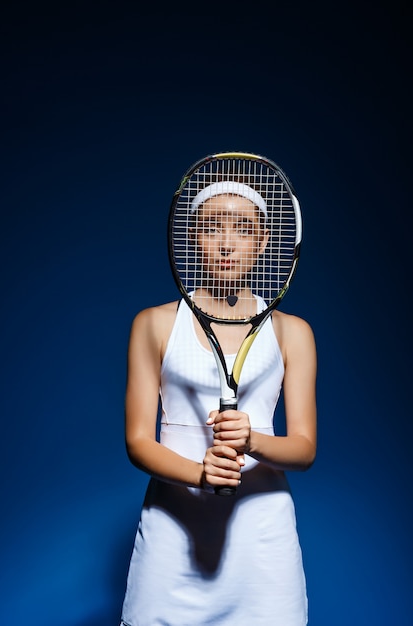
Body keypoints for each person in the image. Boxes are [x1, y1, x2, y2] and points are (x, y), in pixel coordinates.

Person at [120, 181, 317, 626]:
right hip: (172, 536)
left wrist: (254, 440)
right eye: (211, 227)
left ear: (264, 239)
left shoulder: (293, 333)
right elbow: (136, 440)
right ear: (192, 236)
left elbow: (304, 448)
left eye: (243, 229)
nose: (227, 243)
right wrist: (198, 474)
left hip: (263, 546)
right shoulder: (152, 325)